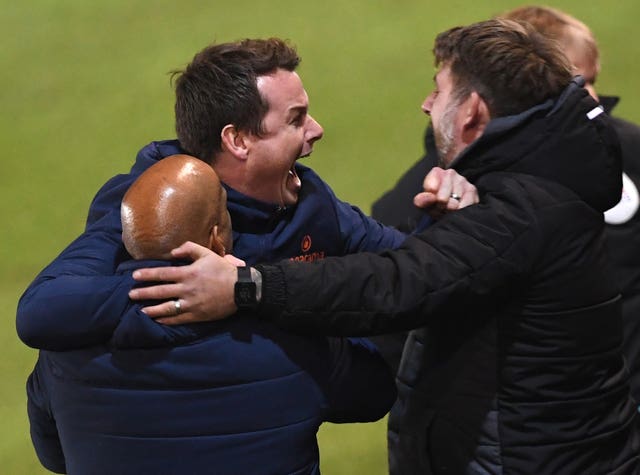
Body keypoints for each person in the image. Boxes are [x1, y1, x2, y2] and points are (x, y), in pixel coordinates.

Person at [129, 19, 640, 474]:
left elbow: (392, 284)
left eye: (439, 90)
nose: (425, 103)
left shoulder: (520, 211)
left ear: (472, 112)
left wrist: (247, 287)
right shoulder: (532, 188)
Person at [16, 37, 476, 351]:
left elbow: (406, 271)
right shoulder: (149, 207)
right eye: (296, 119)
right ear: (238, 140)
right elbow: (42, 314)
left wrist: (442, 219)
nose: (317, 131)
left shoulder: (310, 201)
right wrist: (193, 298)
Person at [26, 154, 398, 475]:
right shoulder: (289, 343)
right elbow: (376, 391)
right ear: (217, 239)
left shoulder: (63, 351)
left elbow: (53, 453)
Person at [498, 3, 640, 407]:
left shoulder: (631, 148)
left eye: (592, 81)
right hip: (548, 395)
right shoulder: (489, 177)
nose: (592, 98)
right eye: (574, 86)